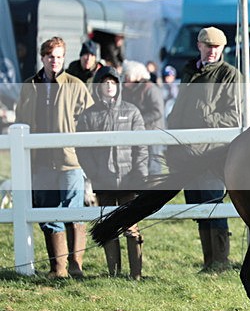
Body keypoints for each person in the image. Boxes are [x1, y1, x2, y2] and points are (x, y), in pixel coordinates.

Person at [15, 37, 94, 278]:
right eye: (51, 57)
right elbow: (20, 118)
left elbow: (90, 119)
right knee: (47, 212)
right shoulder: (29, 86)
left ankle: (76, 265)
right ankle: (57, 268)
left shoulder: (75, 84)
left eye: (59, 57)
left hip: (70, 160)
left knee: (74, 211)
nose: (55, 61)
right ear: (43, 58)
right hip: (40, 161)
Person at [167, 27, 242, 270]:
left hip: (213, 153)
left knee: (214, 206)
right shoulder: (189, 72)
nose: (212, 51)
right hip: (188, 152)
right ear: (199, 45)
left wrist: (203, 118)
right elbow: (180, 108)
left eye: (216, 47)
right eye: (208, 46)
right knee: (199, 208)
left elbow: (233, 116)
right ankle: (208, 261)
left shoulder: (230, 75)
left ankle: (220, 262)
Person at [77, 67, 148, 279]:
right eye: (104, 82)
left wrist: (140, 175)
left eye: (112, 81)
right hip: (104, 182)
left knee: (131, 226)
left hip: (128, 180)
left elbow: (141, 147)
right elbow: (82, 149)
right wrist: (94, 173)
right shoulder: (89, 116)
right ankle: (114, 274)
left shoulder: (132, 112)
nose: (109, 86)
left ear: (118, 85)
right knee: (109, 227)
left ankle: (136, 274)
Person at [122, 60, 166, 176]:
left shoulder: (150, 89)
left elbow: (158, 111)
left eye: (127, 75)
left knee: (153, 165)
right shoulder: (127, 91)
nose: (124, 78)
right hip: (135, 134)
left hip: (152, 133)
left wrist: (138, 121)